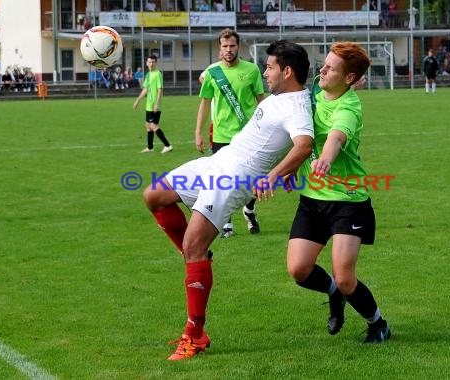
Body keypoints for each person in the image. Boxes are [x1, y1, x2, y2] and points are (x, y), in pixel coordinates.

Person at [143, 40, 314, 360]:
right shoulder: (281, 97)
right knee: (154, 195)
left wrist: (274, 175)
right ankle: (197, 258)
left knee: (193, 247)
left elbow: (304, 144)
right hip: (219, 161)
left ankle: (194, 333)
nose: (265, 72)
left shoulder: (296, 105)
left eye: (270, 67)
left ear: (287, 71)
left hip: (235, 177)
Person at [279, 41, 391, 344]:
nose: (323, 69)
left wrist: (325, 160)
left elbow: (336, 138)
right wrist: (290, 169)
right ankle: (334, 296)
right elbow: (301, 134)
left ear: (350, 78)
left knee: (345, 277)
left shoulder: (350, 107)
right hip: (312, 200)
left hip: (348, 202)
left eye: (331, 67)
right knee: (299, 269)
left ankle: (378, 323)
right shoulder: (315, 90)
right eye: (324, 63)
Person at [196, 28, 265, 238]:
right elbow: (204, 104)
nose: (228, 50)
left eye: (232, 46)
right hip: (221, 136)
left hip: (249, 136)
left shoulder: (252, 70)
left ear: (238, 46)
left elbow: (262, 101)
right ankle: (226, 223)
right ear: (220, 48)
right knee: (222, 181)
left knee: (253, 180)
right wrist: (198, 132)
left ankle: (249, 209)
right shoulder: (212, 73)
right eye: (224, 46)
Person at [133, 55, 173, 154]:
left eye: (153, 62)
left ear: (156, 63)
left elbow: (160, 89)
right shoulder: (148, 75)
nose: (151, 64)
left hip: (154, 105)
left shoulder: (157, 74)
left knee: (153, 125)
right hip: (148, 105)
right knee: (148, 125)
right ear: (147, 63)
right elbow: (145, 89)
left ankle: (167, 145)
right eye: (149, 62)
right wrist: (138, 100)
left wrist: (157, 104)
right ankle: (150, 147)